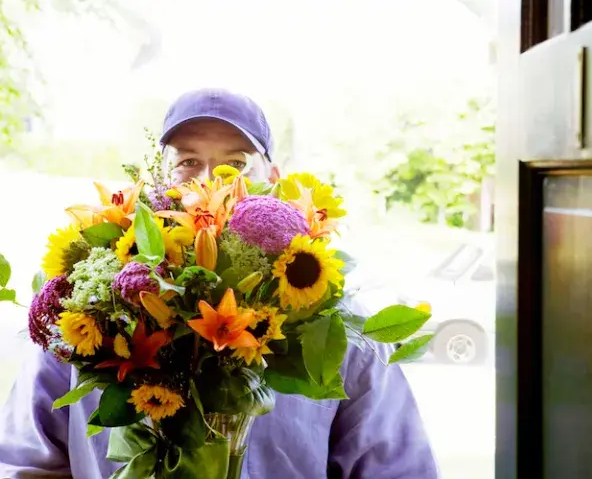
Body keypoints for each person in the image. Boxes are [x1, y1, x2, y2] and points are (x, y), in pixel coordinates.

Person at [0, 88, 438, 478]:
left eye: (237, 164)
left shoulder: (335, 326)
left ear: (274, 180)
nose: (211, 183)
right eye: (188, 163)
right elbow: (28, 462)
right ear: (153, 184)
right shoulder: (84, 320)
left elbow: (396, 467)